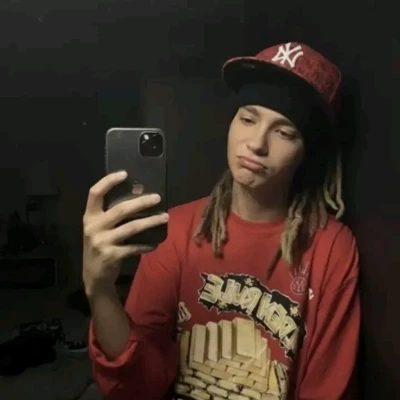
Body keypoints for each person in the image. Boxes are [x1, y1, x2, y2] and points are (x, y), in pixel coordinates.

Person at [83, 42, 360, 400]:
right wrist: (100, 290)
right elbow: (137, 387)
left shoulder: (331, 249)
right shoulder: (177, 230)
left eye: (284, 132)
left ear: (306, 152)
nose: (256, 143)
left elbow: (326, 390)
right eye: (248, 118)